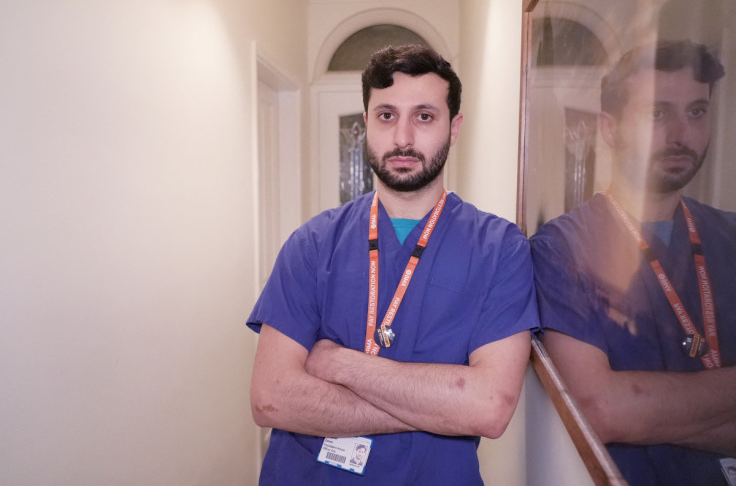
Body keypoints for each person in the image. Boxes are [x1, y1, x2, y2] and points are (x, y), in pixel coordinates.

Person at [248, 44, 538, 485]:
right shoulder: (313, 243)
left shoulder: (500, 249)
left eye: (424, 116)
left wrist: (341, 366)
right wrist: (438, 407)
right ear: (366, 123)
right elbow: (271, 399)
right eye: (386, 115)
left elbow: (489, 408)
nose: (403, 138)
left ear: (454, 127)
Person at [531, 40, 736, 485]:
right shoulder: (561, 247)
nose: (682, 133)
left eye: (697, 112)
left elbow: (626, 409)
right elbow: (600, 411)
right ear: (609, 127)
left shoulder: (730, 236)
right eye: (658, 114)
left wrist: (651, 412)